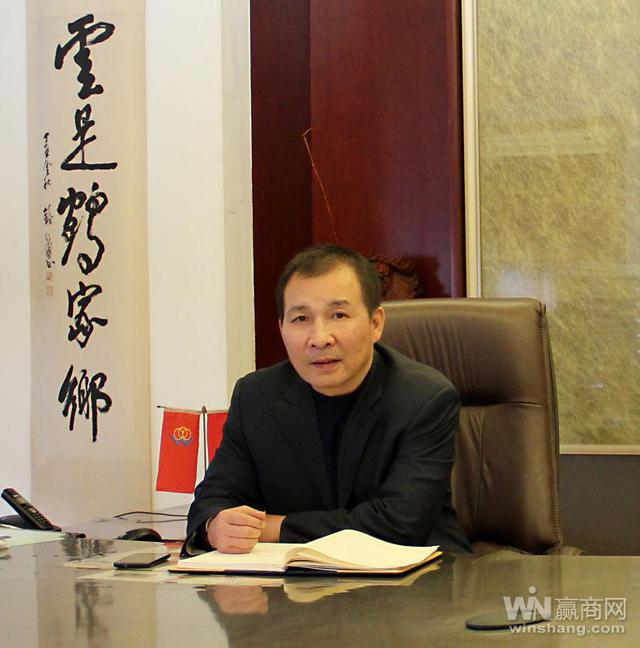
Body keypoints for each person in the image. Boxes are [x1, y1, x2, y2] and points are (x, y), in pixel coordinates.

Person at [185, 244, 470, 555]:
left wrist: (275, 527)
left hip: (420, 578)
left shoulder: (424, 398)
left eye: (338, 315)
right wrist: (216, 526)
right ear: (281, 328)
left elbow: (399, 523)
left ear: (376, 323)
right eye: (300, 319)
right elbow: (213, 499)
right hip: (292, 578)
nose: (319, 338)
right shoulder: (256, 397)